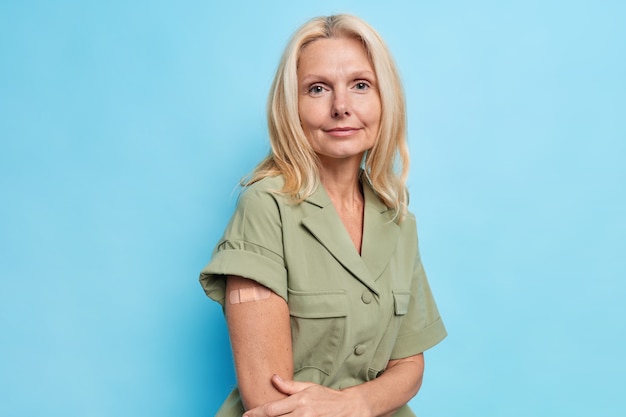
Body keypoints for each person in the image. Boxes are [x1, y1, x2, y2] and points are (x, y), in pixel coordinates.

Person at [199, 14, 447, 417]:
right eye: (317, 89)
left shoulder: (398, 219)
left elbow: (409, 366)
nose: (341, 107)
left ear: (386, 99)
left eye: (361, 85)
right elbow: (269, 401)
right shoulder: (266, 207)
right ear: (291, 107)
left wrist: (357, 403)